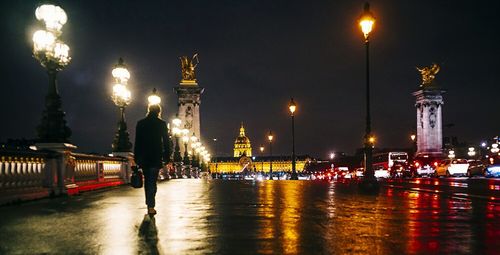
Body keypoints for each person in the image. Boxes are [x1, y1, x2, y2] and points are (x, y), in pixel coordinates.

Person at [134, 104, 171, 215]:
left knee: (147, 182)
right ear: (159, 112)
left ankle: (149, 204)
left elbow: (137, 142)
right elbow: (166, 142)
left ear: (148, 110)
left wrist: (136, 157)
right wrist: (167, 156)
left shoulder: (141, 123)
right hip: (155, 156)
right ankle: (151, 206)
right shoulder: (161, 124)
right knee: (152, 182)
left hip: (144, 157)